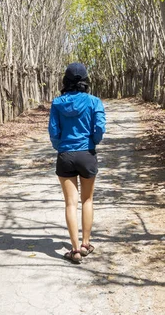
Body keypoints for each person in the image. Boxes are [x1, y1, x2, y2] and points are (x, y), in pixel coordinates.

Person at [48, 62, 106, 264]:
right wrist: (92, 142)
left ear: (65, 80)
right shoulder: (94, 102)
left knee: (70, 203)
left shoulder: (57, 103)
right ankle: (86, 243)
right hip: (87, 154)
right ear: (85, 80)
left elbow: (54, 132)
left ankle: (74, 250)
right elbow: (99, 127)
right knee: (87, 200)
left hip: (65, 154)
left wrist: (61, 147)